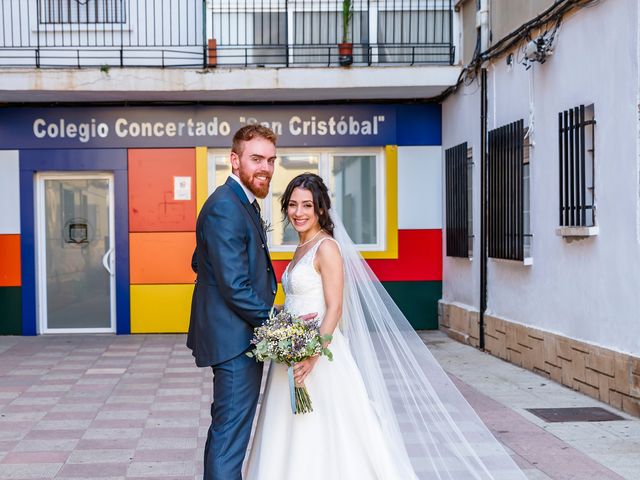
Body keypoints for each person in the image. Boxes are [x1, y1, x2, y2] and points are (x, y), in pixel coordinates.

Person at [244, 173, 527, 480]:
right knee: (286, 425)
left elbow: (335, 307)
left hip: (319, 353)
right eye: (293, 205)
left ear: (321, 210)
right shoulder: (301, 246)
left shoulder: (326, 247)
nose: (298, 212)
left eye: (307, 205)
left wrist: (312, 354)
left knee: (328, 428)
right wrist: (281, 337)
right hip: (291, 351)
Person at [187, 125, 279, 480]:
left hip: (238, 335)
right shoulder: (226, 206)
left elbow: (200, 261)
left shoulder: (239, 203)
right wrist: (280, 325)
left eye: (271, 160)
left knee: (231, 429)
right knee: (229, 435)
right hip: (234, 341)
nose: (266, 168)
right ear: (234, 160)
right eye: (256, 158)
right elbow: (236, 286)